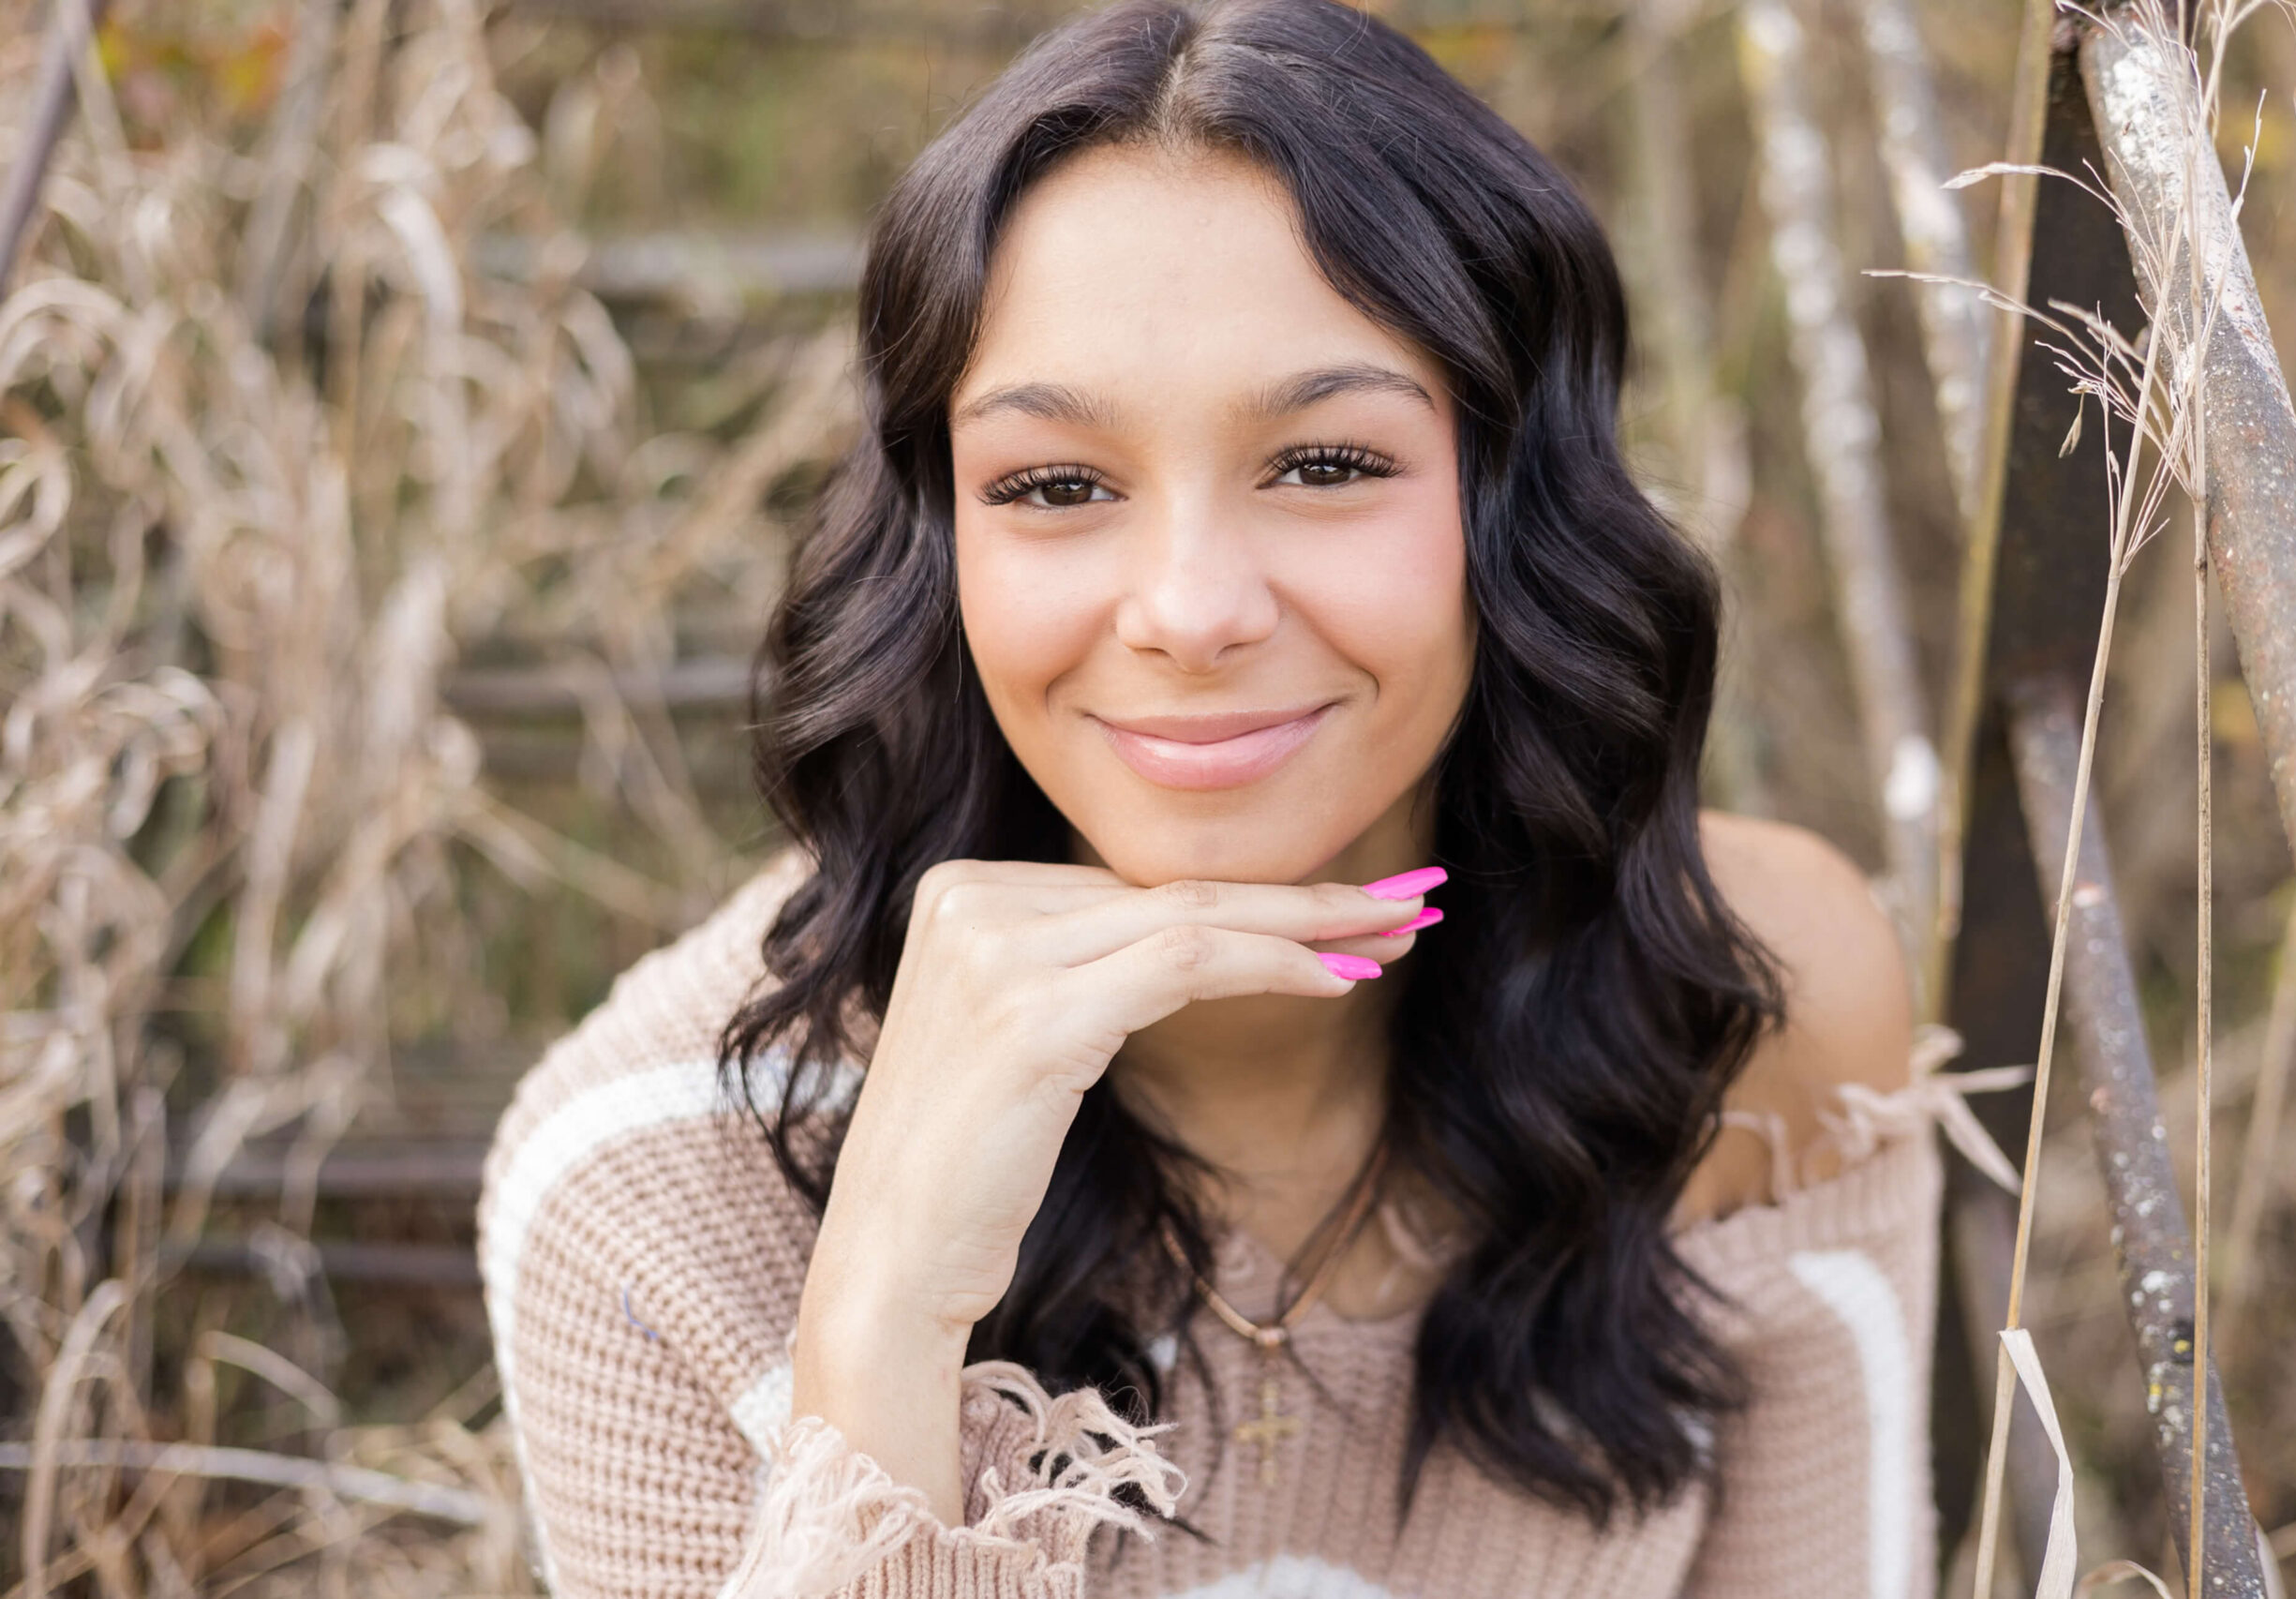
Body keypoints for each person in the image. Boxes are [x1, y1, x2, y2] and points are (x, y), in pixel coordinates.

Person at [478, 2, 1950, 1594]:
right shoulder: (638, 1186)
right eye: (1056, 486)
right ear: (938, 542)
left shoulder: (1738, 1007)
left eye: (1324, 462)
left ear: (1514, 497)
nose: (1190, 609)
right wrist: (884, 1323)